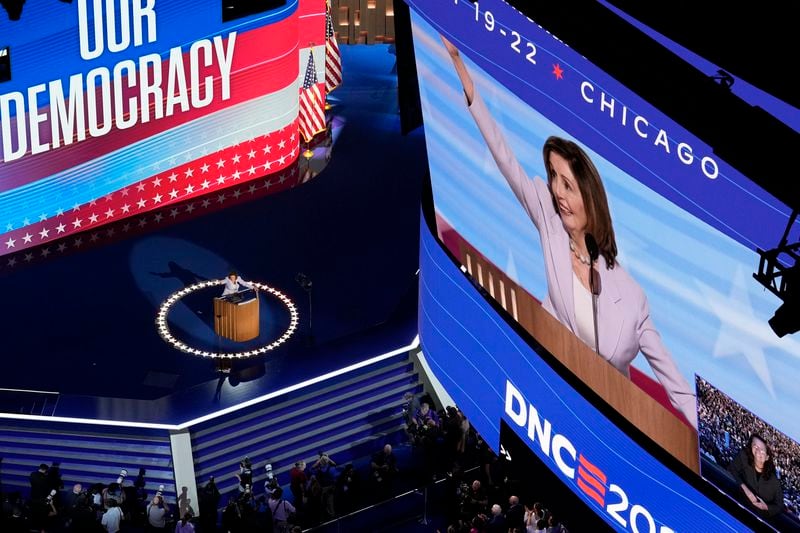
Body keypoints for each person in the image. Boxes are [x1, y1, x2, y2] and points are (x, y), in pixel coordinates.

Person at [441, 36, 697, 428]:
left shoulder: (631, 299)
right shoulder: (549, 220)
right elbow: (504, 156)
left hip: (606, 424)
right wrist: (460, 65)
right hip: (551, 395)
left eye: (568, 186)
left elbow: (676, 386)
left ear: (591, 199)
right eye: (554, 179)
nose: (558, 194)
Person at [727, 433, 785, 518]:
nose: (758, 451)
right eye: (755, 447)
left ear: (767, 457)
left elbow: (780, 506)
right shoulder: (744, 458)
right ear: (751, 447)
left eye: (762, 450)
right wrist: (746, 489)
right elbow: (732, 468)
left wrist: (766, 507)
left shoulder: (774, 481)